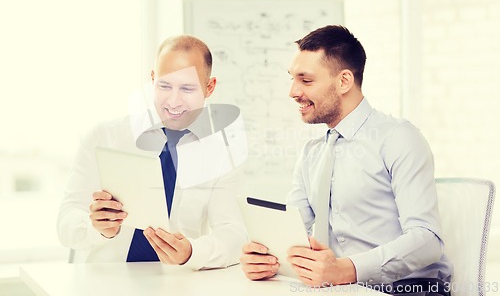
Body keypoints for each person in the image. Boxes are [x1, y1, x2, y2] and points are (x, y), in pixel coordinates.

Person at [240, 25, 452, 292]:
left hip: (408, 288)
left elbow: (428, 240)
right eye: (292, 79)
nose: (293, 92)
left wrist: (347, 269)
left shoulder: (399, 138)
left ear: (343, 81)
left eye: (306, 80)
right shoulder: (312, 152)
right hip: (345, 288)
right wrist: (265, 257)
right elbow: (291, 230)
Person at [58, 35, 248, 269]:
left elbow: (234, 233)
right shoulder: (104, 137)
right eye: (164, 86)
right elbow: (65, 223)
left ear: (209, 87)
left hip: (177, 284)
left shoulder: (222, 155)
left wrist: (192, 252)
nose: (174, 101)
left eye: (187, 88)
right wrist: (96, 227)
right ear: (152, 80)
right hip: (104, 283)